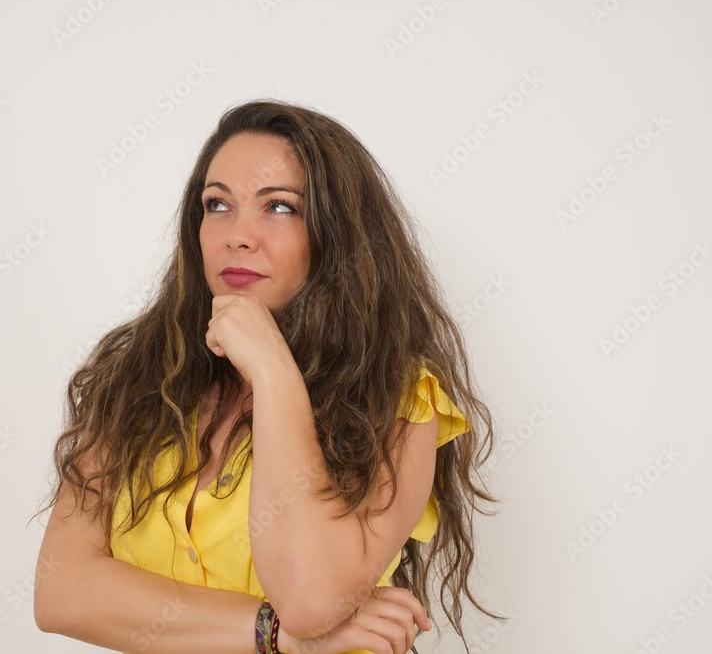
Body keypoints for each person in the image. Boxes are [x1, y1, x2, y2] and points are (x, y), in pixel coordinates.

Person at [32, 99, 502, 654]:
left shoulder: (399, 397)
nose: (238, 235)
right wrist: (278, 636)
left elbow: (311, 598)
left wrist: (274, 373)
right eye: (217, 204)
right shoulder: (137, 379)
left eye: (279, 207)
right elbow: (62, 593)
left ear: (336, 234)